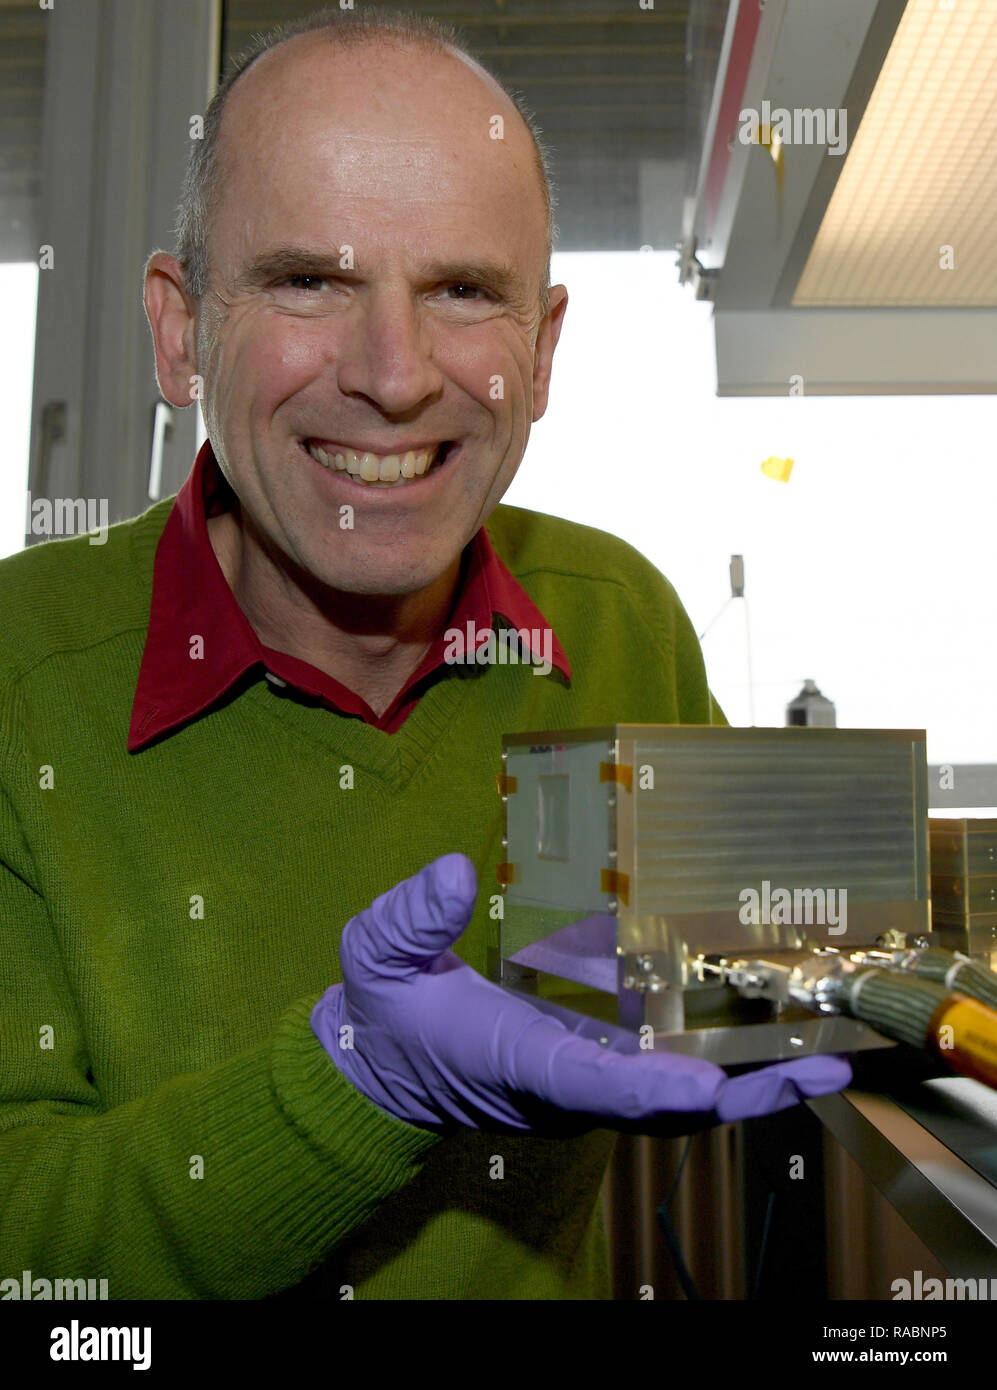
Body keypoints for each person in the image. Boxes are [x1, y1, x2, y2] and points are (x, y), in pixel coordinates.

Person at [0, 7, 849, 1301]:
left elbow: (743, 993)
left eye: (461, 289)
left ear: (542, 348)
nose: (394, 376)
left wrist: (828, 956)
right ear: (179, 333)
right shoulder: (19, 672)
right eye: (309, 280)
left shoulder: (618, 619)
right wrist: (351, 1078)